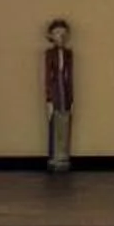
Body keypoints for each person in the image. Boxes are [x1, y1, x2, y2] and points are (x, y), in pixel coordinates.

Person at [43, 19, 75, 173]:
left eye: (63, 33)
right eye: (57, 33)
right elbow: (48, 77)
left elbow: (71, 76)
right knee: (54, 124)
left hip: (65, 93)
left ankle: (64, 156)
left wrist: (72, 98)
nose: (60, 37)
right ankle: (54, 157)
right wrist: (48, 98)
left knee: (65, 122)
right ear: (51, 36)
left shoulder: (69, 54)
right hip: (56, 92)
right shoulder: (50, 54)